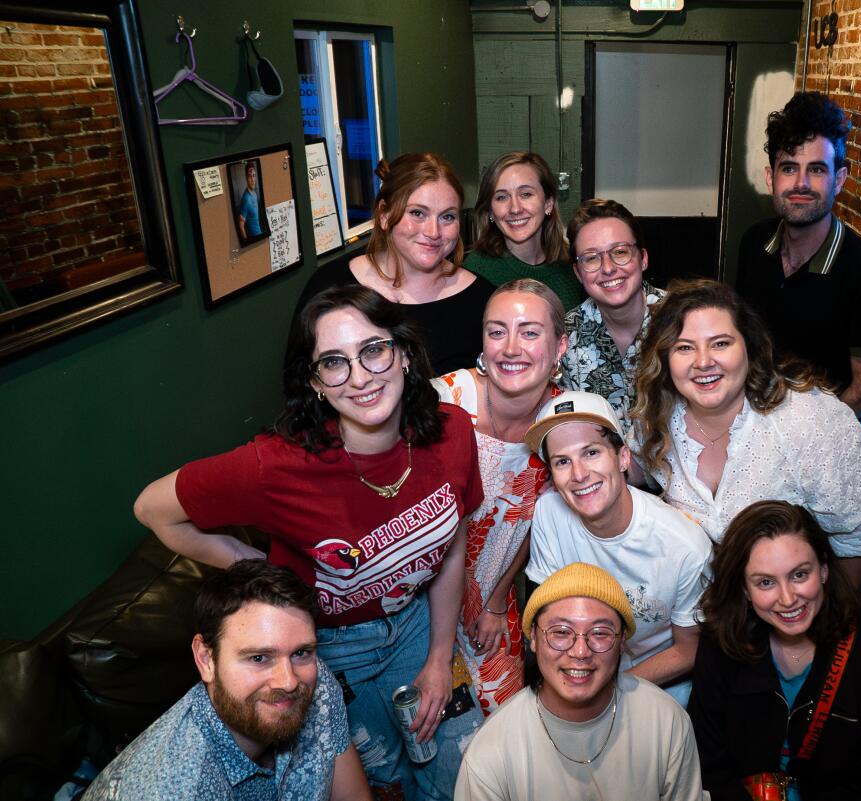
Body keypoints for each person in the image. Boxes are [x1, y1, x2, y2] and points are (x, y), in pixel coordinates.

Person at [134, 285, 485, 800]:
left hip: (417, 624)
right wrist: (247, 563)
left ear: (404, 354)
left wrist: (437, 656)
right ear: (316, 383)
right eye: (334, 362)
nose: (361, 377)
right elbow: (151, 509)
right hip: (331, 652)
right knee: (384, 782)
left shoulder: (452, 431)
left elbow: (452, 548)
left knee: (459, 773)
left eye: (373, 349)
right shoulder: (277, 467)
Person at [630, 278, 861, 586]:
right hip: (703, 611)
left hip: (793, 611)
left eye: (720, 343)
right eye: (685, 348)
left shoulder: (808, 420)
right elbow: (632, 467)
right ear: (665, 358)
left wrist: (836, 619)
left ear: (749, 346)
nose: (703, 362)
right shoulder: (657, 415)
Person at [83, 560, 371, 801]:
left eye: (301, 652)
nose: (288, 681)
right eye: (259, 658)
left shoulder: (312, 679)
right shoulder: (177, 788)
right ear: (206, 660)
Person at [688, 501, 861, 801]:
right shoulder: (721, 647)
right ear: (744, 589)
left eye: (799, 575)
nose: (787, 599)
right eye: (766, 582)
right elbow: (710, 767)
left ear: (823, 569)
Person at [454, 563, 703, 801]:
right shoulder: (492, 751)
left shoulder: (665, 721)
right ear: (534, 638)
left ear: (622, 642)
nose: (580, 651)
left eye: (600, 633)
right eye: (561, 632)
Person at [523, 391, 711, 705]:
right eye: (563, 461)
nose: (579, 474)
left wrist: (610, 688)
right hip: (579, 669)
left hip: (658, 682)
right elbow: (551, 620)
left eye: (592, 452)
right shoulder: (549, 514)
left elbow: (689, 649)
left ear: (623, 458)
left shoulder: (685, 547)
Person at [433, 279, 567, 716]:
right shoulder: (443, 403)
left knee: (504, 727)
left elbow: (540, 520)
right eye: (496, 331)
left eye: (529, 332)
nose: (511, 348)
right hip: (418, 604)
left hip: (492, 600)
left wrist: (495, 601)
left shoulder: (565, 421)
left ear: (560, 346)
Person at [735, 92, 861, 412]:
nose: (801, 183)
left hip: (820, 447)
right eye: (789, 168)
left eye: (816, 170)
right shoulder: (753, 242)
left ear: (839, 180)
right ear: (770, 178)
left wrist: (807, 441)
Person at [297, 152, 494, 375]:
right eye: (417, 213)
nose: (433, 232)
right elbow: (300, 386)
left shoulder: (482, 300)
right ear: (384, 215)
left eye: (447, 217)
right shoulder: (331, 286)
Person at [560, 199, 666, 433]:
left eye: (620, 252)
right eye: (591, 258)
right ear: (578, 273)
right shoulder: (565, 336)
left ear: (643, 258)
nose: (608, 268)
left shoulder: (682, 321)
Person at [464, 152, 585, 310]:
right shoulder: (475, 272)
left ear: (548, 203)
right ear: (491, 211)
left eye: (526, 194)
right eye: (501, 197)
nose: (515, 208)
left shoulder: (574, 266)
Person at [237, 162, 263, 241]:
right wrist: (246, 241)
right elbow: (241, 224)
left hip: (260, 233)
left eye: (254, 176)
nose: (252, 179)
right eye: (249, 176)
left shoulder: (254, 193)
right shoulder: (246, 199)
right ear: (246, 178)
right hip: (254, 239)